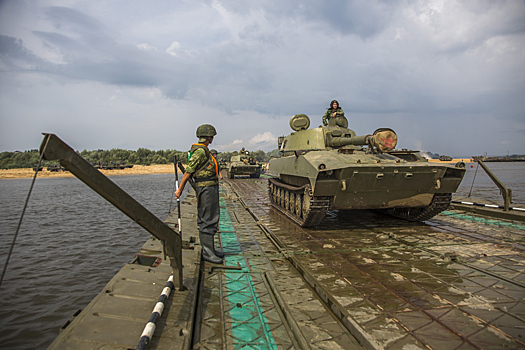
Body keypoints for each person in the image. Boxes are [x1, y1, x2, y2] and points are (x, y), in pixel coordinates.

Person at [174, 124, 223, 263]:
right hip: (206, 188)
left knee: (211, 218)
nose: (212, 138)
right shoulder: (200, 152)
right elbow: (188, 171)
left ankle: (210, 250)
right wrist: (180, 190)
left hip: (210, 187)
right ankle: (207, 253)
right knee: (207, 219)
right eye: (212, 136)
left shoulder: (204, 150)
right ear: (209, 137)